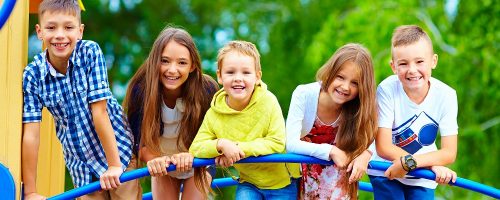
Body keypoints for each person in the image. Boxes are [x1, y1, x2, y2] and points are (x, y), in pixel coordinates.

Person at [22, 0, 140, 199]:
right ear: (39, 31)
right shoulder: (33, 75)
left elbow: (100, 112)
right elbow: (31, 135)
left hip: (118, 153)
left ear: (80, 31)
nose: (60, 35)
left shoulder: (89, 53)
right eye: (51, 27)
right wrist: (31, 191)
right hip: (82, 166)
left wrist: (114, 165)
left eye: (68, 27)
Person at [189, 40, 301, 199]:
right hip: (249, 182)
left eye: (246, 73)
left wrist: (235, 149)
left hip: (282, 183)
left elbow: (277, 142)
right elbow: (196, 148)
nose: (238, 78)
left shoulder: (268, 101)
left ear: (257, 77)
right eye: (230, 72)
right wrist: (221, 145)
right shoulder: (215, 112)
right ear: (220, 76)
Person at [123, 26, 218, 200]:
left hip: (198, 161)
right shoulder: (141, 90)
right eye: (165, 61)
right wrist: (156, 159)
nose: (172, 70)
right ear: (154, 61)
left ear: (192, 66)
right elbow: (137, 144)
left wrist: (192, 155)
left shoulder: (207, 90)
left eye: (181, 63)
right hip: (162, 162)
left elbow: (215, 137)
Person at [368, 25, 458, 200]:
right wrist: (428, 165)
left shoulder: (446, 95)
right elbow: (384, 147)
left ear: (433, 61)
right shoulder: (387, 89)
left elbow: (449, 152)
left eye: (419, 61)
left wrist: (416, 165)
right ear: (393, 67)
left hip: (422, 176)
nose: (412, 70)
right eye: (403, 63)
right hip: (386, 169)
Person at [286, 43, 378, 199]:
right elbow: (291, 143)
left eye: (355, 83)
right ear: (330, 72)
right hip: (304, 186)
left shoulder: (361, 107)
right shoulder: (304, 94)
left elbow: (378, 137)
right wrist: (331, 151)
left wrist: (366, 155)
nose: (345, 87)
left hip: (341, 191)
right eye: (340, 77)